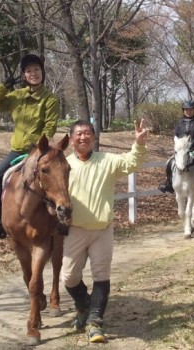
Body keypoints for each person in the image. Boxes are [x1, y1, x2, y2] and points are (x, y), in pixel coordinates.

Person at [62, 118, 148, 343]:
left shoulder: (107, 161)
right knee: (69, 277)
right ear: (72, 139)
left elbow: (132, 163)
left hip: (102, 230)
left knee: (102, 276)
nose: (83, 137)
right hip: (75, 230)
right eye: (79, 133)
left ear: (94, 137)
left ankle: (94, 323)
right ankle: (83, 307)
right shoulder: (64, 165)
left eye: (87, 133)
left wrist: (138, 144)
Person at [0, 54, 59, 240]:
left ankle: (60, 218)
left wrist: (35, 143)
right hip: (17, 151)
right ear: (24, 75)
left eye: (36, 70)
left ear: (42, 72)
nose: (33, 73)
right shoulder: (16, 96)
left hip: (38, 151)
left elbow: (49, 129)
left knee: (56, 179)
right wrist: (4, 87)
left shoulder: (50, 99)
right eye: (28, 71)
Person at [158, 100, 194, 193]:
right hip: (181, 149)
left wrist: (190, 145)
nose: (188, 112)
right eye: (186, 110)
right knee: (169, 162)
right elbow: (176, 134)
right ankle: (169, 182)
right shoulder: (180, 122)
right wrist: (180, 145)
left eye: (190, 110)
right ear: (183, 111)